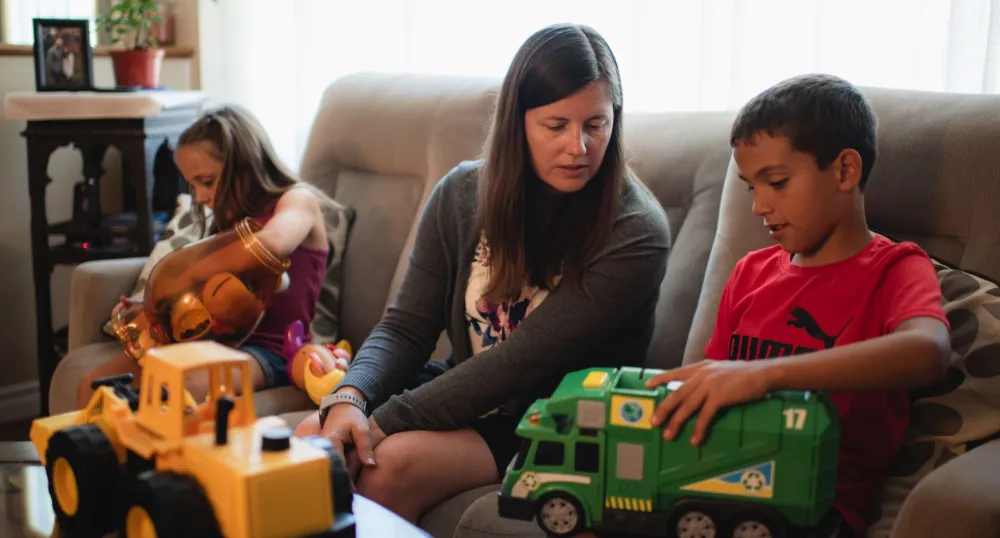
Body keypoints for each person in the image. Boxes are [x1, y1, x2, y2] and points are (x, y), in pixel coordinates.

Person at [293, 23, 671, 523]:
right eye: (556, 125)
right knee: (310, 440)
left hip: (561, 421)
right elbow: (406, 327)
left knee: (388, 464)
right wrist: (350, 397)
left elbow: (519, 363)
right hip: (468, 391)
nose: (578, 147)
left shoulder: (636, 230)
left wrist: (377, 424)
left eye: (596, 125)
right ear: (518, 121)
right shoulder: (462, 194)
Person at [643, 74, 951, 537]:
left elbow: (928, 352)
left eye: (777, 182)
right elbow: (708, 388)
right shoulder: (749, 273)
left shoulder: (896, 268)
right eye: (752, 187)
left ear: (845, 170)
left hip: (810, 506)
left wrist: (765, 375)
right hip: (712, 485)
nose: (758, 207)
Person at [76, 105, 350, 408]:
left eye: (206, 182)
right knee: (93, 385)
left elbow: (272, 245)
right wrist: (152, 308)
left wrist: (187, 274)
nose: (200, 197)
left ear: (246, 165)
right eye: (192, 185)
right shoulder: (231, 217)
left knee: (177, 384)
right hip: (216, 343)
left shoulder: (297, 201)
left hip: (272, 352)